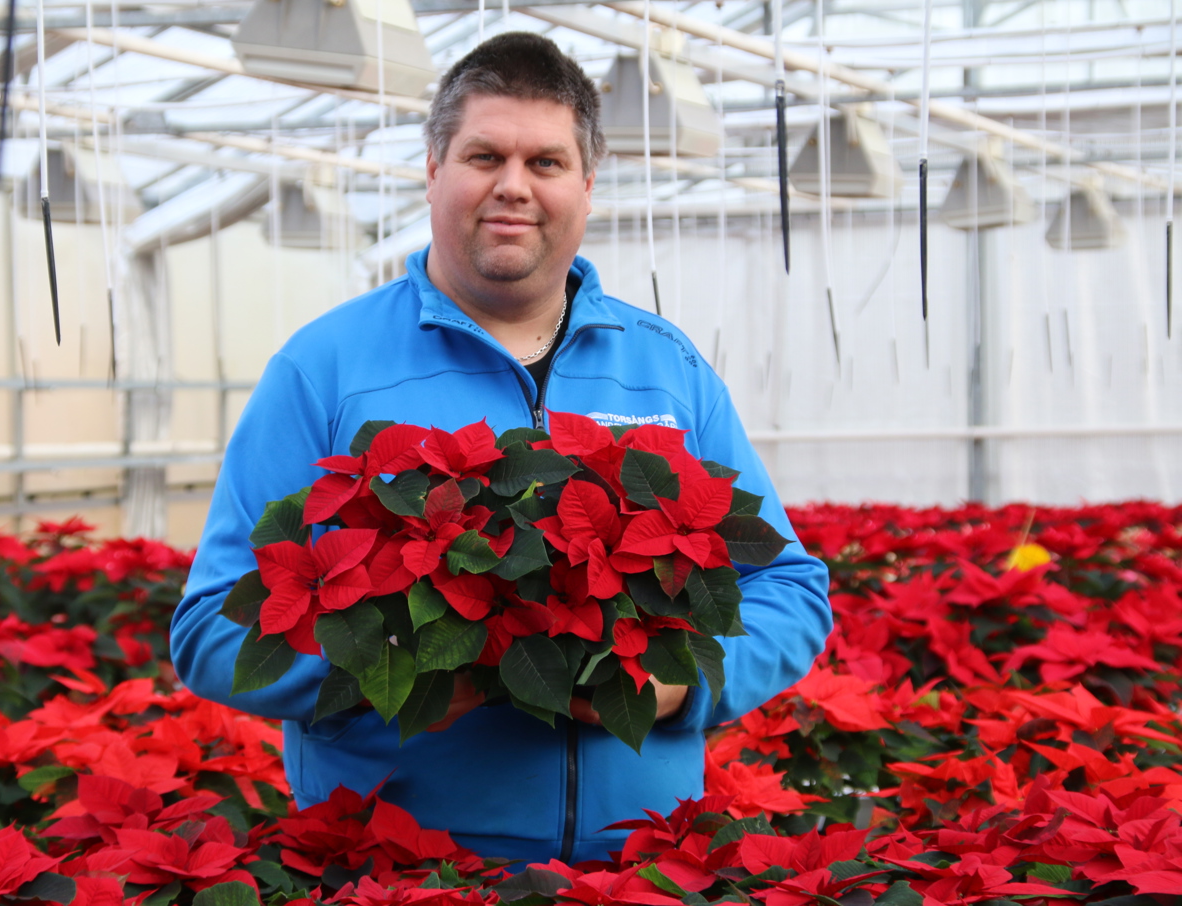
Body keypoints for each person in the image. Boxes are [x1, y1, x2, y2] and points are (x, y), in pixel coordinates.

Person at [170, 32, 832, 866]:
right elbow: (210, 631)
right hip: (403, 871)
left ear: (587, 187)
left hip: (642, 870)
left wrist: (680, 684)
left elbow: (790, 588)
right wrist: (403, 670)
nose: (513, 187)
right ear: (433, 170)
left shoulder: (666, 369)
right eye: (484, 155)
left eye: (546, 163)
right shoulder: (325, 368)